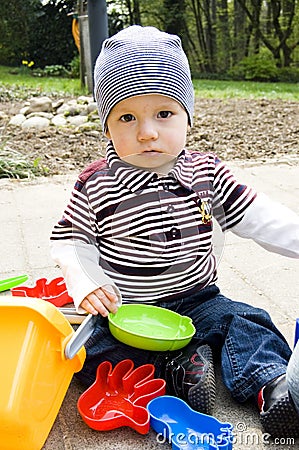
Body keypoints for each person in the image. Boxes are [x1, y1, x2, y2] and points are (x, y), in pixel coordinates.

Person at [50, 25, 299, 438]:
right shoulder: (97, 183)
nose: (147, 132)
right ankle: (180, 370)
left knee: (248, 321)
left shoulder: (206, 172)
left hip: (198, 299)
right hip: (127, 312)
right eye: (127, 117)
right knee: (91, 356)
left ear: (187, 117)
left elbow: (258, 215)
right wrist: (84, 282)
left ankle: (271, 389)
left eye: (163, 113)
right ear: (106, 127)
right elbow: (71, 240)